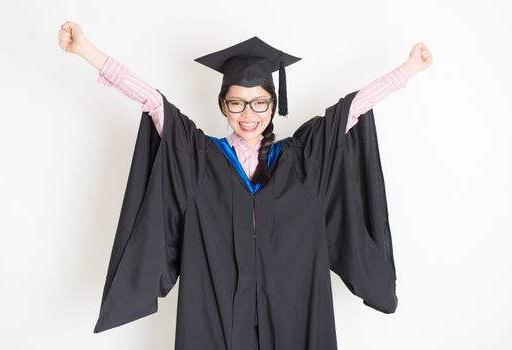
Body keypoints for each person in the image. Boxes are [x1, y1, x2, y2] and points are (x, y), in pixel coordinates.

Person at [58, 21, 432, 350]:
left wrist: (409, 68)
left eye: (259, 103)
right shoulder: (201, 158)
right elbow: (153, 101)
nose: (248, 115)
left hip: (291, 306)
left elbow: (354, 108)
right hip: (217, 305)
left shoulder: (302, 160)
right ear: (222, 105)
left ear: (273, 105)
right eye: (236, 104)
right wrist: (85, 51)